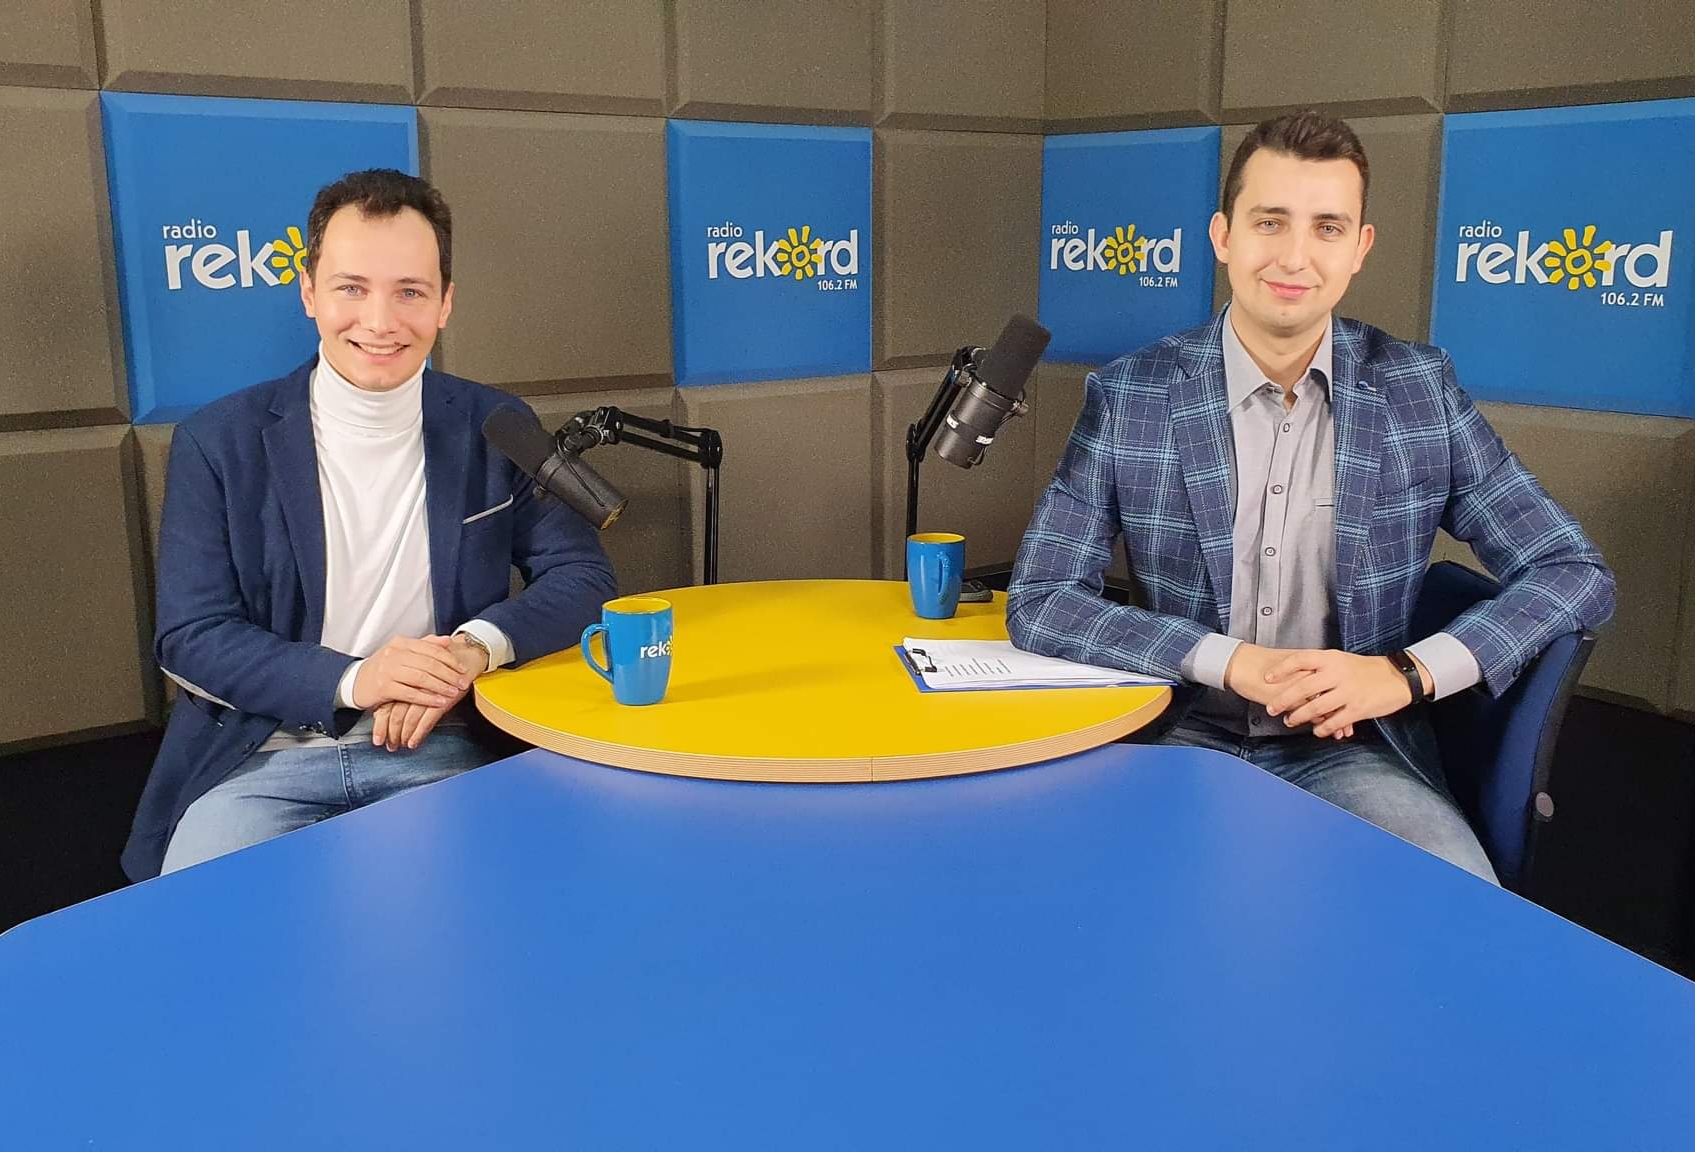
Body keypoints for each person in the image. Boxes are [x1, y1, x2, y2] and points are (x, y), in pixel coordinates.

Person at [1006, 111, 1615, 882]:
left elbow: (1571, 571)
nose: (1294, 256)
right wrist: (1227, 661)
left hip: (1352, 753)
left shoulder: (1418, 390)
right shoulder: (1132, 394)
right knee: (1070, 890)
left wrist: (1404, 674)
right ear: (1223, 236)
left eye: (1327, 228)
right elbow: (1042, 599)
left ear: (1359, 248)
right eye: (1270, 222)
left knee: (1459, 908)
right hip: (1173, 733)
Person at [123, 169, 616, 879]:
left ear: (445, 303)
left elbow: (582, 574)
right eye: (351, 288)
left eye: (409, 291)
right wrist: (359, 679)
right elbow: (190, 636)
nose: (380, 322)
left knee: (498, 915)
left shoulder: (496, 423)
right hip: (256, 762)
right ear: (308, 293)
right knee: (203, 939)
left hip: (445, 747)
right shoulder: (218, 440)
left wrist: (471, 651)